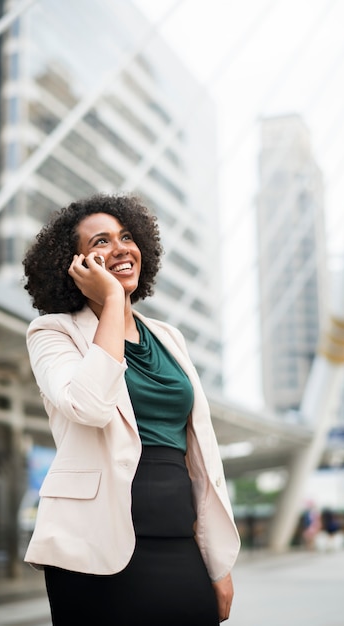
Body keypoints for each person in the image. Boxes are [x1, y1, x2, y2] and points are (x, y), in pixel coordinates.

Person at [22, 194, 240, 625]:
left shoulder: (168, 337)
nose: (121, 248)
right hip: (93, 549)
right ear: (75, 264)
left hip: (179, 543)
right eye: (101, 241)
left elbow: (201, 456)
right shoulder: (51, 332)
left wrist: (218, 562)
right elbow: (90, 406)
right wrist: (112, 302)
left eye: (126, 236)